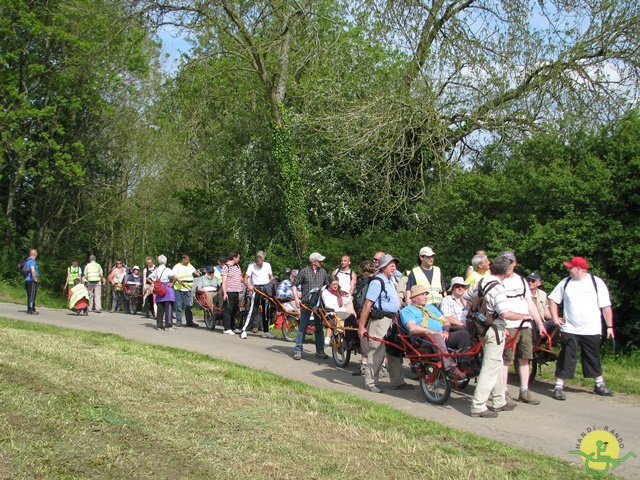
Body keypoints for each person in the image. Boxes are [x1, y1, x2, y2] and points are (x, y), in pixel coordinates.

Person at [463, 256, 531, 418]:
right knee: (491, 365)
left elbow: (466, 299)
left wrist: (475, 316)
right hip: (495, 329)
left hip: (481, 328)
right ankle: (478, 405)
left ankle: (499, 400)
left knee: (498, 363)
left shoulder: (482, 282)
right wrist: (525, 315)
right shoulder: (499, 288)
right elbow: (505, 313)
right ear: (507, 271)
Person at [548, 256, 614, 400]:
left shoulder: (596, 283)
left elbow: (606, 306)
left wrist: (610, 326)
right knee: (566, 357)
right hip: (570, 329)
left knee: (593, 357)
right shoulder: (565, 283)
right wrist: (555, 317)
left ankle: (599, 385)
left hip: (592, 329)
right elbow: (552, 300)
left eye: (570, 267)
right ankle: (558, 386)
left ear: (578, 269)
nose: (567, 269)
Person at [357, 254, 412, 393]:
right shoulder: (377, 282)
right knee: (376, 351)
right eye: (391, 265)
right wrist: (362, 327)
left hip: (392, 320)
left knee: (394, 351)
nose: (394, 267)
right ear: (383, 267)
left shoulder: (389, 280)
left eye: (394, 265)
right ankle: (370, 382)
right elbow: (367, 305)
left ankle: (397, 381)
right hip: (380, 320)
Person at [500, 251, 546, 405]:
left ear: (515, 263)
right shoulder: (498, 281)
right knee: (506, 359)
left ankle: (524, 391)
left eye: (510, 261)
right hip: (509, 324)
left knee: (525, 358)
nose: (508, 264)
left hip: (525, 324)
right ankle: (503, 392)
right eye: (505, 261)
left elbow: (529, 302)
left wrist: (539, 323)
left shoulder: (521, 280)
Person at [399, 285, 470, 380]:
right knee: (435, 336)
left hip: (442, 336)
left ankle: (464, 364)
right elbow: (412, 328)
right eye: (422, 295)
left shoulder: (431, 308)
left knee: (463, 334)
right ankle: (450, 368)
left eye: (426, 294)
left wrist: (445, 331)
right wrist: (433, 332)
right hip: (422, 340)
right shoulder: (407, 310)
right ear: (414, 298)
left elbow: (446, 321)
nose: (425, 297)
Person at [292, 252, 329, 360]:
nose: (321, 262)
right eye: (319, 261)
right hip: (306, 303)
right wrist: (296, 298)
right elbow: (294, 285)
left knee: (319, 327)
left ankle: (320, 350)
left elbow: (327, 286)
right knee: (302, 327)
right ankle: (298, 350)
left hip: (319, 304)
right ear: (313, 262)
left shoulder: (323, 272)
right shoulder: (304, 271)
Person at [241, 251, 274, 339]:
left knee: (266, 310)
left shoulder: (267, 265)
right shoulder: (251, 266)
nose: (259, 266)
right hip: (256, 288)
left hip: (266, 288)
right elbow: (245, 278)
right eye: (258, 264)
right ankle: (244, 330)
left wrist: (271, 285)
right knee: (253, 309)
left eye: (260, 264)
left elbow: (271, 277)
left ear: (263, 260)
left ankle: (266, 331)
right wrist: (249, 286)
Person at [351, 260, 377, 376]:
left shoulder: (364, 281)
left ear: (363, 270)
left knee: (364, 338)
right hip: (379, 313)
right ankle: (382, 366)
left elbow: (361, 301)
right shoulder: (381, 279)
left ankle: (364, 365)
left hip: (366, 312)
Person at [322, 275, 356, 347]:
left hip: (341, 311)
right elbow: (329, 306)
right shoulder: (325, 293)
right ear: (329, 283)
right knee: (334, 321)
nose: (335, 286)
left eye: (337, 284)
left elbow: (344, 302)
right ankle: (328, 338)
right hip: (331, 312)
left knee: (352, 318)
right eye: (333, 284)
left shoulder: (338, 291)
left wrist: (348, 297)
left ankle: (351, 339)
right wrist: (345, 310)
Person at [147, 255, 176, 331]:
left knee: (160, 308)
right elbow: (175, 277)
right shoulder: (167, 270)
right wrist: (172, 283)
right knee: (168, 308)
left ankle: (159, 325)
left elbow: (148, 278)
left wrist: (154, 283)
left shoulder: (156, 270)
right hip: (167, 288)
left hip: (159, 289)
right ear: (165, 261)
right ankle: (168, 325)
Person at [526, 271, 557, 342]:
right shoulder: (522, 294)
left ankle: (550, 346)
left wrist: (556, 318)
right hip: (528, 323)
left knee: (555, 322)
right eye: (528, 280)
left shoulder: (542, 294)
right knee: (531, 320)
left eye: (533, 281)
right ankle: (533, 344)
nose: (530, 282)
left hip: (541, 322)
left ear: (539, 283)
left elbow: (546, 312)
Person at [221, 250, 244, 335]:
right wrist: (225, 292)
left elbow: (240, 278)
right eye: (238, 257)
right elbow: (224, 281)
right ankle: (226, 328)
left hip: (236, 290)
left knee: (234, 310)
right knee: (228, 309)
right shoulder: (226, 266)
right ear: (234, 257)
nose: (239, 259)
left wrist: (246, 281)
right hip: (229, 291)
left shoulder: (237, 266)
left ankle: (233, 326)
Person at [173, 254, 199, 328]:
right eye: (187, 260)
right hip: (179, 288)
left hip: (188, 289)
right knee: (178, 305)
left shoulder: (189, 266)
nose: (188, 261)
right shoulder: (177, 266)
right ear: (183, 259)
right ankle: (179, 321)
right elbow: (174, 276)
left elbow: (195, 272)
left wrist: (198, 273)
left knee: (188, 306)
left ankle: (189, 321)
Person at [24, 249, 39, 315]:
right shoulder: (32, 261)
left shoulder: (27, 261)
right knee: (32, 295)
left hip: (27, 280)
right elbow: (32, 270)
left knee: (29, 295)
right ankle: (30, 309)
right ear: (35, 254)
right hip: (31, 280)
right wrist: (34, 278)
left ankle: (32, 308)